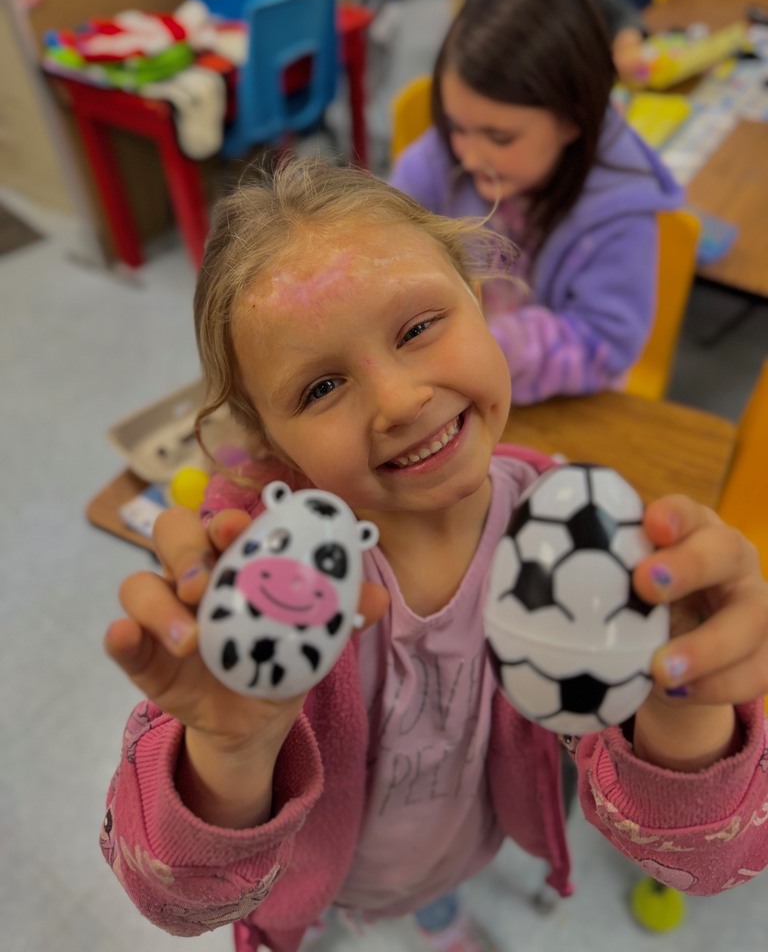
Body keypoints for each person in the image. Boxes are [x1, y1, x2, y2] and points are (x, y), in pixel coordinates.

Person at [102, 159, 768, 952]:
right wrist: (230, 754)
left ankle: (435, 912)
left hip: (464, 838)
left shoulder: (568, 545)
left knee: (435, 886)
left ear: (481, 301)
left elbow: (712, 860)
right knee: (341, 907)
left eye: (419, 328)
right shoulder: (262, 585)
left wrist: (683, 705)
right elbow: (174, 904)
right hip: (318, 873)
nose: (399, 401)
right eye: (320, 388)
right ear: (271, 442)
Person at [389, 0, 683, 405]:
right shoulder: (440, 157)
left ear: (572, 120)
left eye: (500, 137)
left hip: (560, 405)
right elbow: (387, 241)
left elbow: (606, 343)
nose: (468, 156)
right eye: (456, 126)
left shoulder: (619, 208)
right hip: (443, 387)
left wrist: (483, 347)